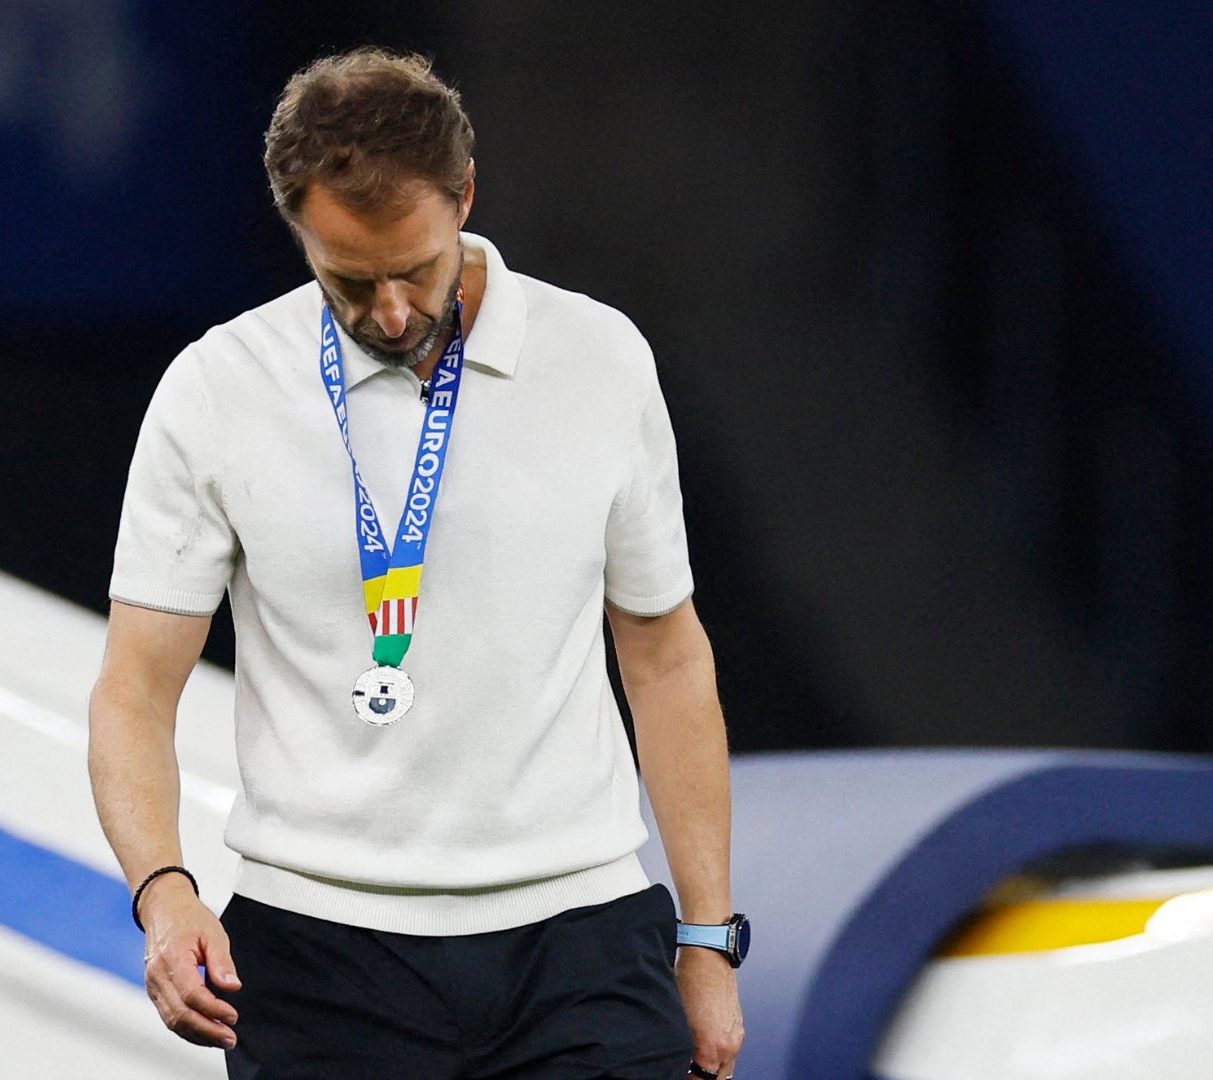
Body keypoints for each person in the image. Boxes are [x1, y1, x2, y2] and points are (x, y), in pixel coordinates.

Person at [88, 47, 745, 1080]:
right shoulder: (216, 388)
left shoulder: (602, 357)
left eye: (417, 271)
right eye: (350, 279)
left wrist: (707, 941)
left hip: (579, 937)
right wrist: (163, 890)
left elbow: (666, 662)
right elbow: (133, 688)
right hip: (317, 954)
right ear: (295, 226)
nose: (391, 313)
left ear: (465, 197)